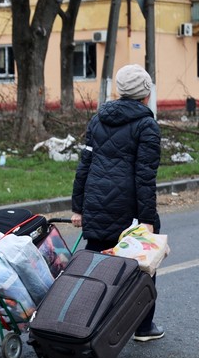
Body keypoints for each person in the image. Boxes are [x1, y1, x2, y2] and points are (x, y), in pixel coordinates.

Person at [70, 63, 164, 342]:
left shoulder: (97, 120)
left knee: (94, 266)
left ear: (120, 91)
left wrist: (78, 208)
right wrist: (147, 219)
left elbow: (83, 166)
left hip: (97, 203)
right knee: (143, 267)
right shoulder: (147, 125)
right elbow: (145, 177)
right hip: (130, 210)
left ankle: (83, 322)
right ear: (146, 94)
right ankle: (143, 327)